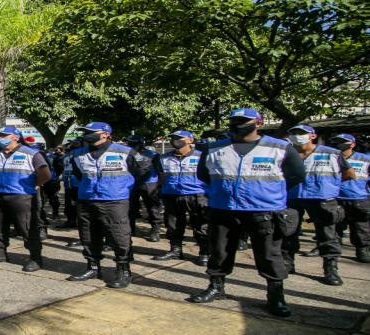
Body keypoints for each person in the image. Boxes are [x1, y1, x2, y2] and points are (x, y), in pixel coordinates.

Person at [189, 108, 305, 318]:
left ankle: (275, 295)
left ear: (258, 123)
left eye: (244, 120)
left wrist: (266, 193)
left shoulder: (279, 147)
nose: (238, 124)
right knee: (219, 251)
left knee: (269, 254)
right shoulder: (214, 148)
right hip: (224, 208)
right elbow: (204, 174)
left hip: (264, 209)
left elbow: (296, 175)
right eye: (234, 120)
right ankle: (216, 287)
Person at [66, 122, 150, 288]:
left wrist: (125, 186)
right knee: (88, 235)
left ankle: (123, 270)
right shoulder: (77, 153)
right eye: (85, 132)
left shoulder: (124, 151)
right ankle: (93, 267)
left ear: (105, 134)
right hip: (87, 199)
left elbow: (144, 169)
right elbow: (78, 174)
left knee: (119, 236)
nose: (86, 135)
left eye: (90, 132)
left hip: (114, 200)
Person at [282, 125, 355, 285]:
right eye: (293, 132)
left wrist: (331, 185)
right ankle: (287, 264)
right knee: (287, 231)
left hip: (322, 198)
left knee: (328, 235)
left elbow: (349, 174)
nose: (297, 135)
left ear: (313, 136)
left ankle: (331, 270)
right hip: (292, 196)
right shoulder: (284, 153)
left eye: (301, 133)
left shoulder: (331, 153)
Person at [0, 126, 52, 272]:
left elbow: (46, 174)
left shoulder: (31, 153)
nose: (0, 138)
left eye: (4, 135)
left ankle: (35, 258)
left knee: (27, 227)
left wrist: (34, 184)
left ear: (16, 137)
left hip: (22, 196)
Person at [152, 130, 209, 266]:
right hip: (172, 195)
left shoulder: (202, 156)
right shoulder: (163, 158)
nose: (174, 140)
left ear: (190, 140)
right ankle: (176, 250)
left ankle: (205, 253)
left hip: (196, 195)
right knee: (173, 224)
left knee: (201, 225)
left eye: (179, 138)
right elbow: (161, 177)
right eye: (172, 138)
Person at [331, 134, 370, 263]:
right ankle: (332, 252)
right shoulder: (331, 157)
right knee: (334, 227)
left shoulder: (365, 159)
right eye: (337, 141)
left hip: (359, 198)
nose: (339, 144)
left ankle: (363, 250)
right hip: (336, 197)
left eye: (343, 141)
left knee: (361, 227)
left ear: (352, 144)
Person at [125, 135, 164, 242]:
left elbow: (160, 171)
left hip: (149, 184)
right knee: (130, 208)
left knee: (152, 208)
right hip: (131, 184)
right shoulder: (126, 154)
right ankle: (130, 229)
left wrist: (159, 185)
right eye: (129, 143)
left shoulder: (153, 155)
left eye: (133, 144)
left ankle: (155, 230)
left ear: (141, 144)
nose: (130, 146)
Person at [59, 140, 82, 232]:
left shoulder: (80, 154)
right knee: (70, 203)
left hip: (76, 183)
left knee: (75, 203)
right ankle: (71, 221)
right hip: (69, 184)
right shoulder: (67, 155)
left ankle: (75, 221)